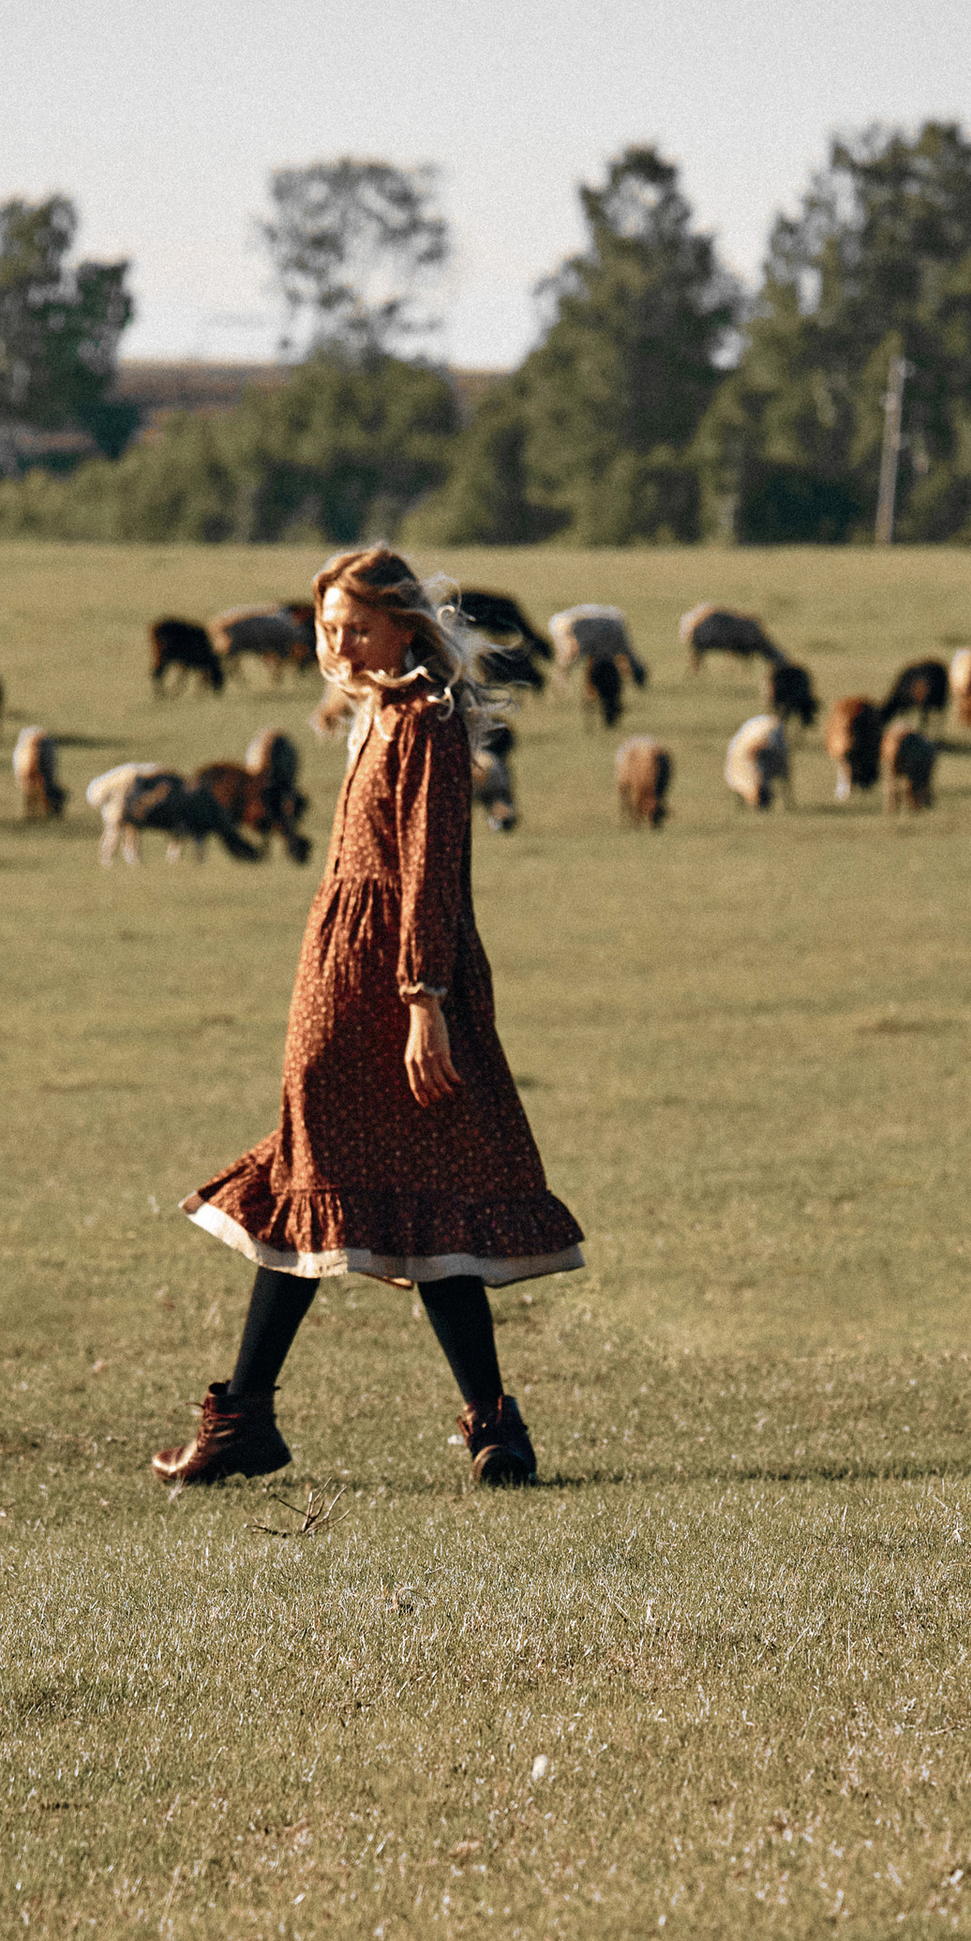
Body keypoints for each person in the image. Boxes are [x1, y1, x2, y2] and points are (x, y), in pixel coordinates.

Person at [154, 543, 583, 1490]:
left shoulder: (425, 722)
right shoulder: (376, 715)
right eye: (326, 628)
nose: (337, 644)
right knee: (354, 1179)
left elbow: (431, 868)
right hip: (341, 974)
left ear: (403, 626)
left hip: (394, 983)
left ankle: (259, 1420)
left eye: (356, 627)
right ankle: (484, 1429)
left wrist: (425, 1002)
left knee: (368, 1176)